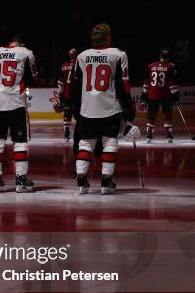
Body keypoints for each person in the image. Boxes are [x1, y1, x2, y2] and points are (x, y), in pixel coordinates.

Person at [66, 23, 135, 195]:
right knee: (109, 143)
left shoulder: (82, 56)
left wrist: (73, 106)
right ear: (108, 37)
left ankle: (81, 179)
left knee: (86, 143)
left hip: (87, 108)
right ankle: (106, 181)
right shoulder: (119, 54)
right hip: (110, 108)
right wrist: (128, 107)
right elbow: (123, 85)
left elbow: (75, 85)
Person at [0, 34, 38, 193]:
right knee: (20, 141)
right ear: (21, 43)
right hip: (14, 101)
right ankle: (21, 179)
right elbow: (33, 77)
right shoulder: (25, 52)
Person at [140, 48, 180, 143]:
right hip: (166, 96)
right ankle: (169, 135)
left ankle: (149, 135)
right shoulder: (171, 67)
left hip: (152, 95)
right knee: (167, 115)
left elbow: (146, 83)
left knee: (151, 116)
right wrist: (176, 95)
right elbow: (173, 84)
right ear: (169, 57)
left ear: (160, 56)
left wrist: (144, 96)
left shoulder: (151, 66)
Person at [57, 48, 78, 141]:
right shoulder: (80, 65)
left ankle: (67, 132)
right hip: (77, 94)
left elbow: (60, 81)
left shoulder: (64, 65)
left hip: (67, 94)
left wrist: (60, 94)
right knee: (79, 115)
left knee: (67, 114)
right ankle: (79, 133)